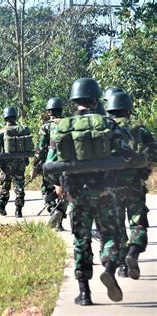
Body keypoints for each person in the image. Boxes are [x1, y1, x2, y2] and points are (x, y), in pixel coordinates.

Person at [43, 78, 137, 306]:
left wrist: (59, 185)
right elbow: (126, 155)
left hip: (77, 194)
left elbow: (50, 162)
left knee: (81, 241)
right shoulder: (108, 124)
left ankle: (84, 293)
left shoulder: (63, 127)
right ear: (95, 100)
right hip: (106, 192)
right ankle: (108, 268)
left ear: (75, 101)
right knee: (111, 237)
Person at [106, 91, 155, 280]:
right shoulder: (139, 129)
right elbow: (155, 152)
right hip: (135, 184)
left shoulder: (105, 128)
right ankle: (132, 255)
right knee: (138, 222)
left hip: (111, 185)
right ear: (128, 109)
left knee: (117, 226)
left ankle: (122, 268)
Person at [31, 97, 67, 231]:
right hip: (68, 165)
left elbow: (40, 150)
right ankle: (60, 221)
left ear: (49, 111)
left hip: (52, 165)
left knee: (47, 191)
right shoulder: (69, 124)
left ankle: (53, 211)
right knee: (64, 192)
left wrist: (35, 168)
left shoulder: (46, 126)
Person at [0, 107, 33, 218]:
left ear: (5, 117)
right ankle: (18, 211)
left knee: (5, 186)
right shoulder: (21, 130)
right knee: (19, 186)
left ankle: (1, 206)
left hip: (6, 165)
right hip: (20, 164)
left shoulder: (1, 132)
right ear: (16, 116)